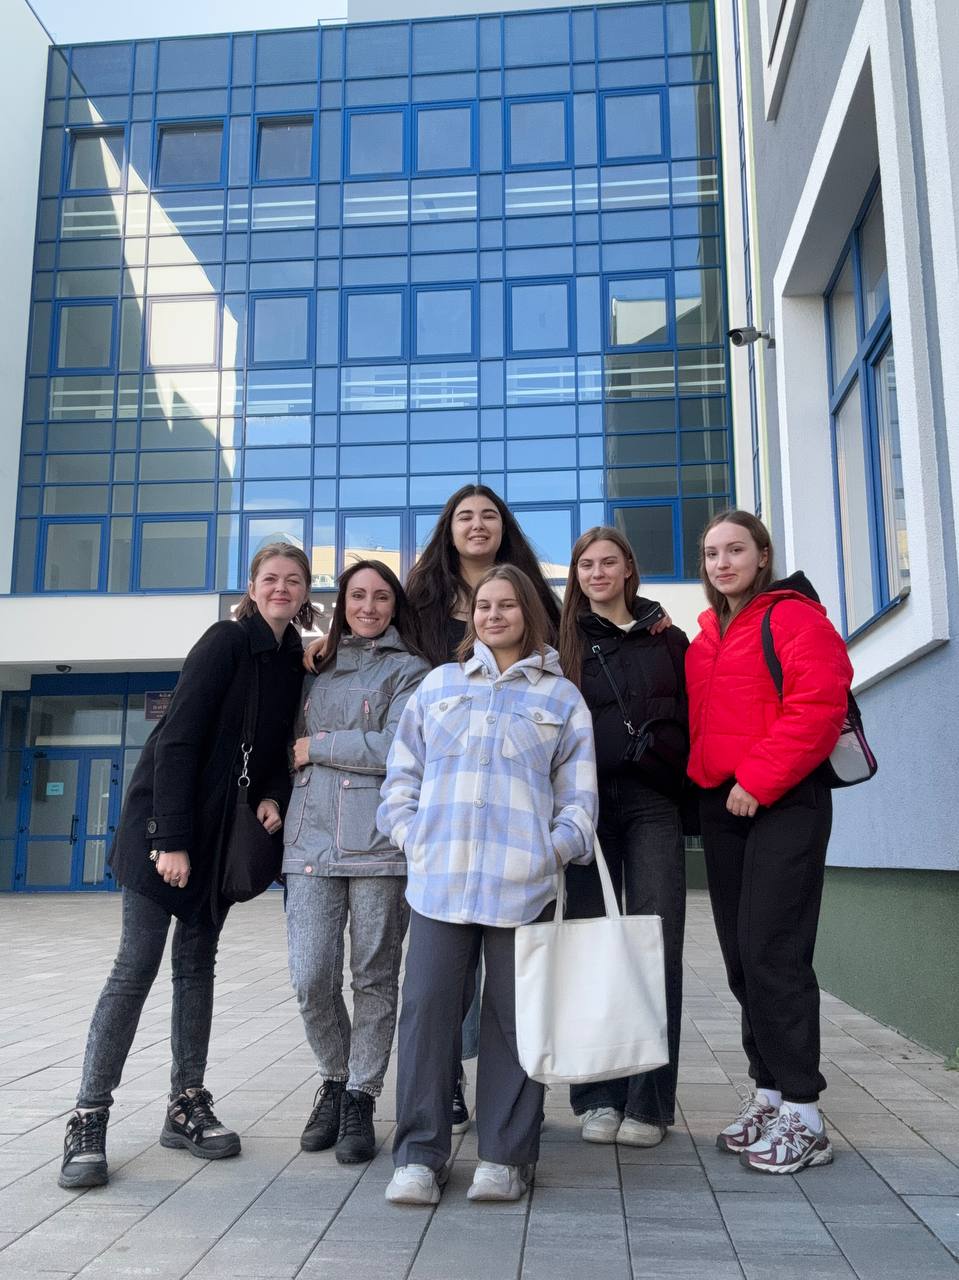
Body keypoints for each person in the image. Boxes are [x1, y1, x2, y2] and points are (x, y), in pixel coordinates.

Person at [304, 484, 564, 1132]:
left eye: (488, 515)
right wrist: (324, 645)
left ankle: (502, 1097)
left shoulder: (533, 593)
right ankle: (444, 1079)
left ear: (504, 527)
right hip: (441, 804)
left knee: (502, 970)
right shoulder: (420, 600)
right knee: (439, 967)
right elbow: (374, 646)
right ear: (448, 529)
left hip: (511, 802)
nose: (477, 525)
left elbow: (566, 666)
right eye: (464, 516)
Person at [58, 544, 316, 1190]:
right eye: (270, 579)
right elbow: (176, 739)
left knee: (196, 967)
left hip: (221, 841)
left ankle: (186, 1103)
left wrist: (272, 796)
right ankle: (88, 1115)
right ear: (252, 587)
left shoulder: (291, 659)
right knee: (135, 967)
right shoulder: (224, 641)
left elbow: (276, 752)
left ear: (305, 592)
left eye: (293, 580)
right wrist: (170, 840)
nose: (281, 588)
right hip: (163, 833)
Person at [378, 565, 597, 1205]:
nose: (492, 616)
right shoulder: (439, 685)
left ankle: (504, 1157)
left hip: (523, 886)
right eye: (483, 606)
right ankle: (419, 1157)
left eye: (506, 605)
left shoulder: (561, 698)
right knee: (426, 1014)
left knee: (514, 1021)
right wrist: (412, 836)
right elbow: (402, 776)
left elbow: (579, 797)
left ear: (528, 612)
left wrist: (552, 850)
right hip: (439, 883)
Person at [685, 510, 852, 1174]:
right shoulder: (705, 636)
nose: (721, 562)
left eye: (734, 550)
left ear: (762, 555)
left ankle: (805, 1116)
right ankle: (770, 1093)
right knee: (739, 958)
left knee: (773, 953)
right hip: (723, 807)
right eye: (711, 553)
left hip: (783, 802)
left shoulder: (793, 617)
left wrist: (756, 779)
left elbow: (819, 706)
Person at [284, 560, 429, 1166]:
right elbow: (278, 739)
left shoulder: (411, 671)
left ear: (395, 606)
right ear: (341, 603)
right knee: (310, 977)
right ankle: (335, 1076)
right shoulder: (313, 666)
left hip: (378, 843)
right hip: (309, 839)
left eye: (381, 597)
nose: (368, 607)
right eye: (357, 596)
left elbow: (400, 748)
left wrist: (317, 747)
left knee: (373, 978)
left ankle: (362, 1097)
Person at [557, 526, 689, 1149]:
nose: (597, 572)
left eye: (608, 562)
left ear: (629, 569)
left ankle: (650, 1102)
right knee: (590, 946)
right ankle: (597, 1097)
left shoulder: (668, 638)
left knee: (656, 944)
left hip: (652, 803)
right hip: (584, 807)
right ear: (576, 575)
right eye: (586, 564)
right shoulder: (560, 643)